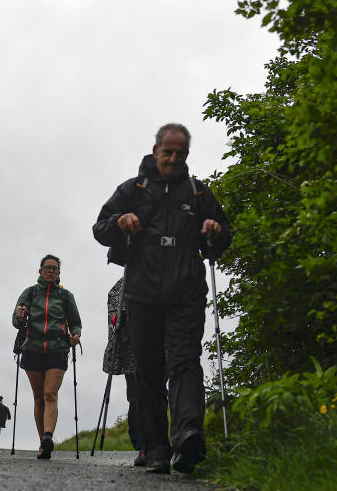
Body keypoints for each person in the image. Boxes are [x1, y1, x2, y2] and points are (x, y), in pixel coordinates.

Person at [93, 123, 230, 474]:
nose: (173, 158)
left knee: (185, 361)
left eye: (180, 153)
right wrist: (121, 222)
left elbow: (224, 235)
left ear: (186, 155)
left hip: (186, 290)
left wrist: (214, 230)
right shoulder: (133, 190)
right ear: (156, 151)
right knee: (149, 369)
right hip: (142, 291)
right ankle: (156, 448)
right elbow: (100, 229)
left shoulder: (198, 193)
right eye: (168, 152)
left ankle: (187, 437)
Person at [12, 254, 83, 460]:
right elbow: (16, 322)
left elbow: (76, 322)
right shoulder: (30, 293)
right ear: (40, 270)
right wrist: (19, 315)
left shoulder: (65, 296)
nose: (51, 271)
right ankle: (43, 443)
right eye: (47, 268)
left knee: (50, 393)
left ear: (59, 272)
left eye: (54, 268)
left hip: (57, 348)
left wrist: (75, 334)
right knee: (38, 397)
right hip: (32, 348)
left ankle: (48, 437)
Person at [102, 276, 146, 466]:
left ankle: (156, 444)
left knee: (157, 394)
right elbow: (113, 314)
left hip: (159, 350)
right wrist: (119, 318)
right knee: (136, 397)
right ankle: (143, 445)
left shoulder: (164, 273)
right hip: (132, 353)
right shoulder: (122, 285)